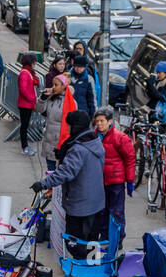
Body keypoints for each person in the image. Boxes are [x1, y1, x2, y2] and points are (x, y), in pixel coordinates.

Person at [31, 109, 105, 247]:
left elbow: (65, 172)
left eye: (69, 125)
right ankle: (86, 265)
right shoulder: (94, 141)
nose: (68, 128)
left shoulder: (78, 149)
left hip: (81, 205)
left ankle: (78, 265)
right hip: (95, 202)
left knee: (76, 243)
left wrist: (43, 184)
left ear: (75, 126)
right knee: (90, 242)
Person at [94, 106, 135, 237]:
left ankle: (117, 240)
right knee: (102, 212)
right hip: (100, 182)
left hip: (115, 183)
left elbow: (130, 159)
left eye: (102, 121)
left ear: (110, 121)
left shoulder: (120, 138)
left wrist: (130, 180)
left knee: (116, 213)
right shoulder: (94, 136)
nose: (99, 124)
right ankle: (105, 238)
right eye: (97, 121)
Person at [38, 73, 75, 171]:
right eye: (53, 84)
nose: (53, 87)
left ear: (63, 86)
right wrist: (43, 98)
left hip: (61, 141)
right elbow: (39, 109)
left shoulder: (71, 101)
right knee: (50, 170)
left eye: (56, 85)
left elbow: (73, 123)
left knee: (60, 172)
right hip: (49, 140)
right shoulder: (51, 98)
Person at [17, 53, 38, 157]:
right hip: (25, 104)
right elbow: (23, 89)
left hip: (26, 104)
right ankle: (24, 147)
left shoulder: (26, 72)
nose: (35, 63)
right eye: (34, 61)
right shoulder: (25, 73)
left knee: (25, 125)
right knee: (24, 126)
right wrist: (32, 99)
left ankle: (25, 146)